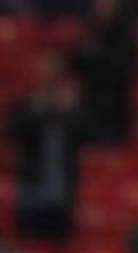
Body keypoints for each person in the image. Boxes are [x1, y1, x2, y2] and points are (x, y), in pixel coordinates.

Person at [5, 51, 89, 241]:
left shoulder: (71, 109)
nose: (49, 82)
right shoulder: (25, 106)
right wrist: (37, 109)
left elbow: (89, 134)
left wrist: (69, 110)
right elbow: (12, 134)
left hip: (62, 195)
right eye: (45, 76)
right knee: (29, 251)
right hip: (30, 194)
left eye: (54, 77)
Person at [70, 0, 136, 145]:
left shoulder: (125, 36)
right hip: (88, 109)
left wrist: (94, 60)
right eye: (100, 2)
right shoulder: (89, 32)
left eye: (108, 2)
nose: (103, 7)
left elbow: (121, 70)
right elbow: (75, 63)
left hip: (114, 113)